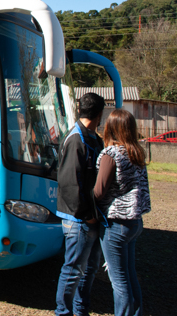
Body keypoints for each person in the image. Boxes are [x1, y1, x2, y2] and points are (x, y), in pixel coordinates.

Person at [95, 109, 151, 316]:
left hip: (116, 224)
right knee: (129, 273)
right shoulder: (136, 153)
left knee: (118, 280)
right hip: (134, 222)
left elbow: (99, 191)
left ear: (110, 128)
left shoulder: (111, 154)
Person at [54, 92, 106, 316]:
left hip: (90, 217)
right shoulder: (76, 139)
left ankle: (81, 310)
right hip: (79, 219)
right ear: (99, 114)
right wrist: (87, 216)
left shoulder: (93, 137)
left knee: (89, 270)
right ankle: (63, 312)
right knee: (73, 271)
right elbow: (69, 184)